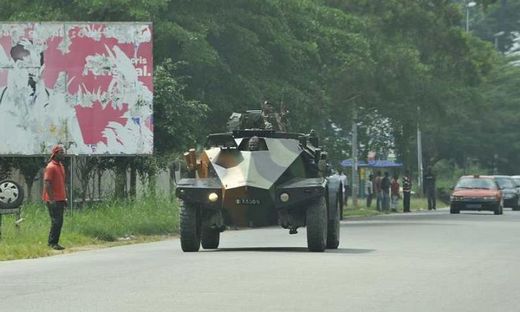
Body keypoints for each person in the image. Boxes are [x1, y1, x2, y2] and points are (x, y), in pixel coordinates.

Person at [42, 145, 67, 250]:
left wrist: (64, 198)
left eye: (63, 152)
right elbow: (47, 184)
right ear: (55, 153)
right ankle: (52, 243)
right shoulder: (51, 166)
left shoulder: (60, 166)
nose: (63, 154)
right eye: (61, 152)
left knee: (59, 221)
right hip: (53, 199)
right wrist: (52, 199)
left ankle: (54, 242)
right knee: (56, 221)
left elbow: (61, 183)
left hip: (60, 198)